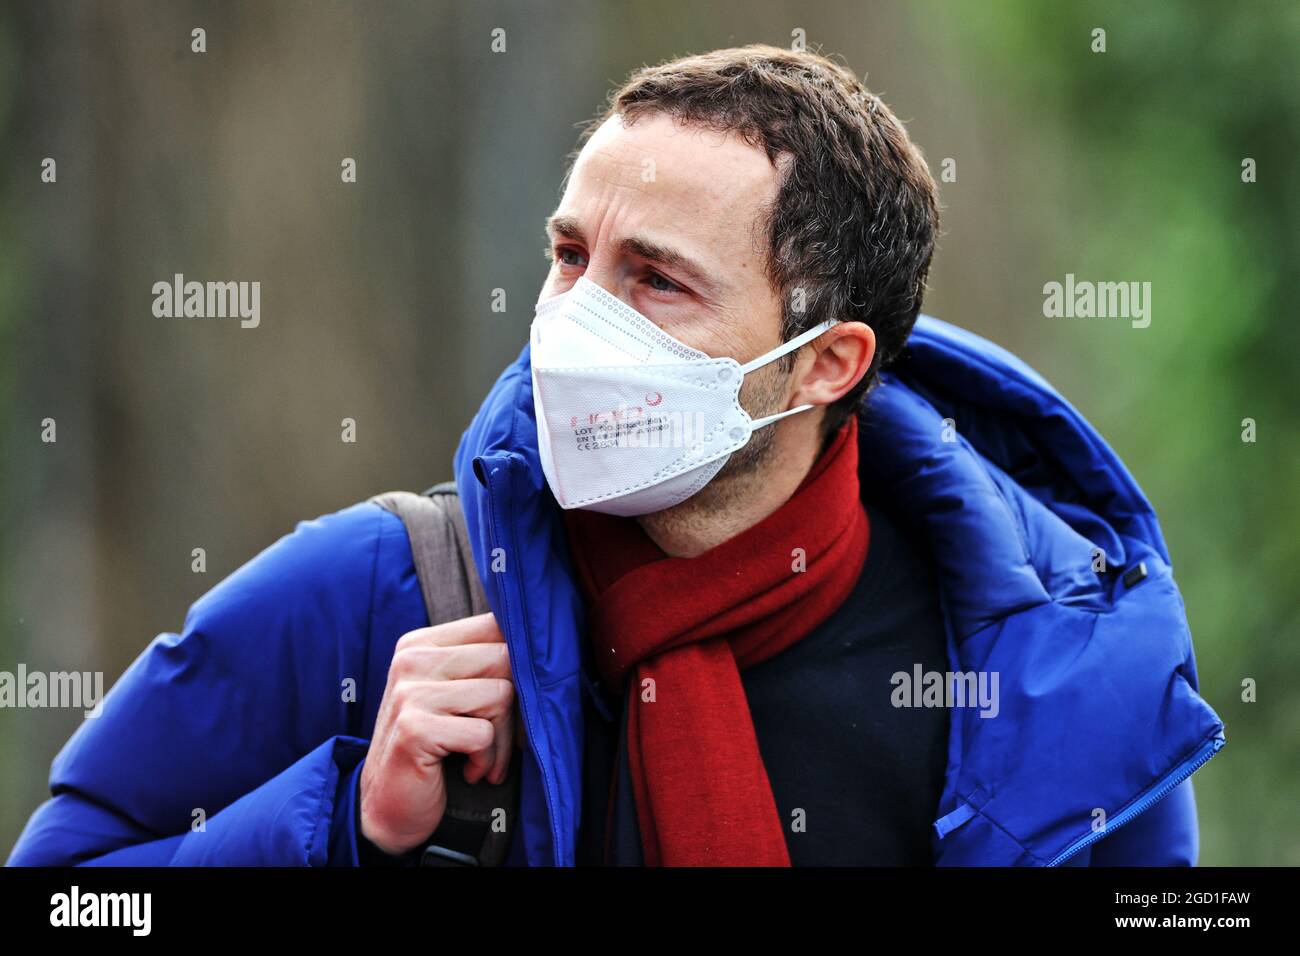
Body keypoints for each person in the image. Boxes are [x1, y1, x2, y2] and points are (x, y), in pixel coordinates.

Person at [7, 45, 1224, 868]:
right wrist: (343, 831)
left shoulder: (1052, 672)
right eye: (570, 254)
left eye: (657, 279)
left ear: (822, 364)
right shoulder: (379, 592)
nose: (573, 321)